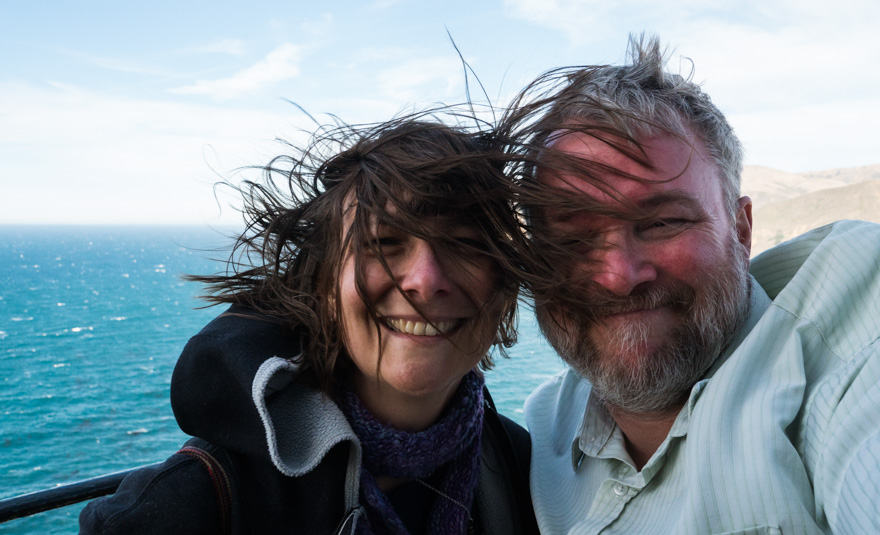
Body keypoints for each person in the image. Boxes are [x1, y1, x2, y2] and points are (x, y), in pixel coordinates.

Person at [502, 35, 880, 534]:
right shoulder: (542, 428)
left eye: (663, 223)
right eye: (573, 238)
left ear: (740, 231)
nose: (619, 277)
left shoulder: (856, 338)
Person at [79, 114, 539, 534]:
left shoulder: (517, 463)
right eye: (384, 242)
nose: (425, 281)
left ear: (504, 287)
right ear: (324, 284)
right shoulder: (191, 505)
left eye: (464, 244)